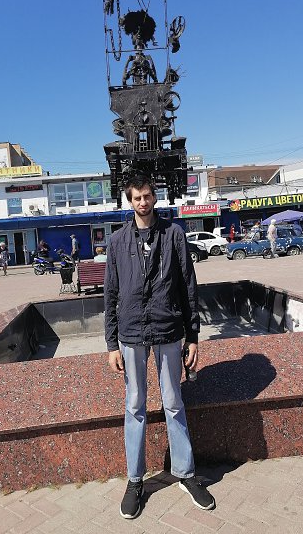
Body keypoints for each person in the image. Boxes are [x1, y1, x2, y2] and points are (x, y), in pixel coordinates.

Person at [104, 173, 216, 520]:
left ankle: (185, 473)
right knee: (135, 404)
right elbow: (110, 294)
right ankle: (135, 481)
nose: (143, 202)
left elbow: (187, 286)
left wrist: (193, 335)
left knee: (173, 402)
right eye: (137, 197)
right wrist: (111, 343)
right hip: (131, 334)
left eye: (147, 196)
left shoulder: (174, 235)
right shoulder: (118, 241)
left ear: (155, 197)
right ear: (130, 201)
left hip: (168, 330)